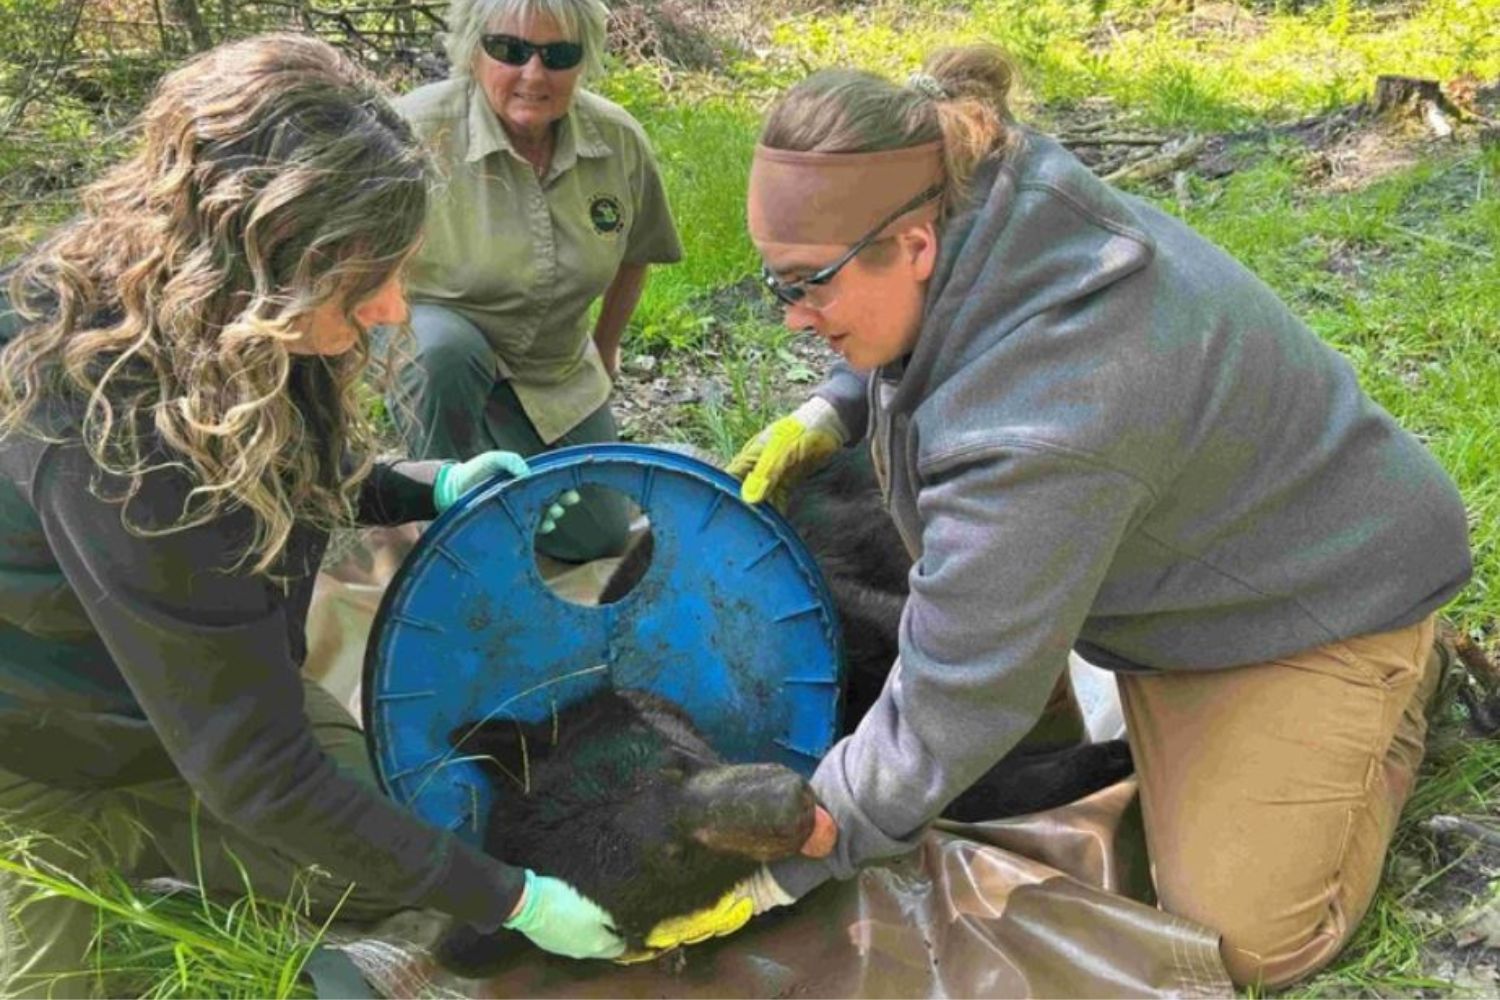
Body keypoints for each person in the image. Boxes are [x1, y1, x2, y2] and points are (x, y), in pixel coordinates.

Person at [715, 45, 1474, 989]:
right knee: (989, 635)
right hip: (1208, 551)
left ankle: (1400, 681)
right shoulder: (986, 204)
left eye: (808, 284)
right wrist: (836, 406)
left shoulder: (1045, 415)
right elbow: (936, 337)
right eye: (778, 285)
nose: (793, 315)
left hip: (1326, 599)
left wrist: (789, 861)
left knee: (1249, 936)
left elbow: (956, 699)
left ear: (911, 246)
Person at [0, 34, 624, 998]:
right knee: (64, 985)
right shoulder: (118, 441)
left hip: (194, 695)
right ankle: (103, 847)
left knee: (403, 848)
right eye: (366, 284)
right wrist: (513, 902)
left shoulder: (216, 313)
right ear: (267, 265)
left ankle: (182, 832)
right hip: (43, 748)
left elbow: (278, 462)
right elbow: (264, 774)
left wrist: (424, 486)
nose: (393, 310)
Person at [387, 0, 684, 563]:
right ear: (473, 50)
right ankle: (438, 525)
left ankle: (491, 470)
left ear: (584, 59)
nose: (534, 74)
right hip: (436, 352)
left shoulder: (619, 140)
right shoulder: (412, 132)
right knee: (443, 350)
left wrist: (606, 347)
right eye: (510, 50)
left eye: (558, 55)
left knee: (597, 536)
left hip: (551, 364)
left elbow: (637, 254)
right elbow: (346, 260)